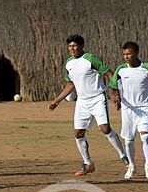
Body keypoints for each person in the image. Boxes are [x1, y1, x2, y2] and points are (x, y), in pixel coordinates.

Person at [48, 34, 128, 175]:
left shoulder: (91, 59)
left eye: (74, 46)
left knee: (105, 128)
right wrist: (57, 101)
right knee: (78, 133)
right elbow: (70, 84)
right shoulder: (69, 64)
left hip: (98, 98)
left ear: (81, 46)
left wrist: (115, 92)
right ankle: (88, 163)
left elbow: (109, 73)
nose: (72, 48)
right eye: (70, 46)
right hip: (82, 101)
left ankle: (124, 157)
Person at [109, 41, 148, 179]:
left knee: (145, 136)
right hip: (128, 109)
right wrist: (114, 98)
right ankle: (131, 166)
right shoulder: (121, 70)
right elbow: (112, 88)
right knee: (129, 140)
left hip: (145, 107)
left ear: (136, 53)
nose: (126, 57)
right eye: (124, 54)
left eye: (129, 54)